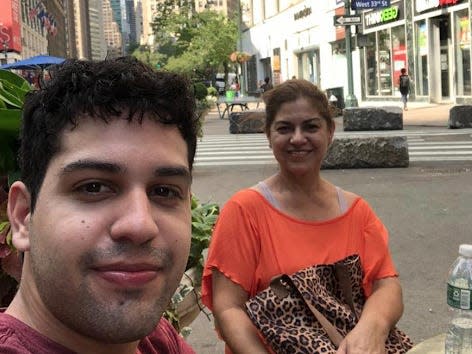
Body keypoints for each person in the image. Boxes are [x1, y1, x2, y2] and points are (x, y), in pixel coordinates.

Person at [2, 57, 198, 354]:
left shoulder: (156, 340)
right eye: (93, 187)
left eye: (164, 191)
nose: (140, 224)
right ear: (23, 216)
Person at [202, 79, 405, 354]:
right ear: (268, 135)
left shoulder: (357, 212)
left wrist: (373, 327)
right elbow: (228, 309)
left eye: (310, 127)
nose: (298, 138)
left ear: (330, 132)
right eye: (285, 128)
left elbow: (386, 284)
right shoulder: (244, 211)